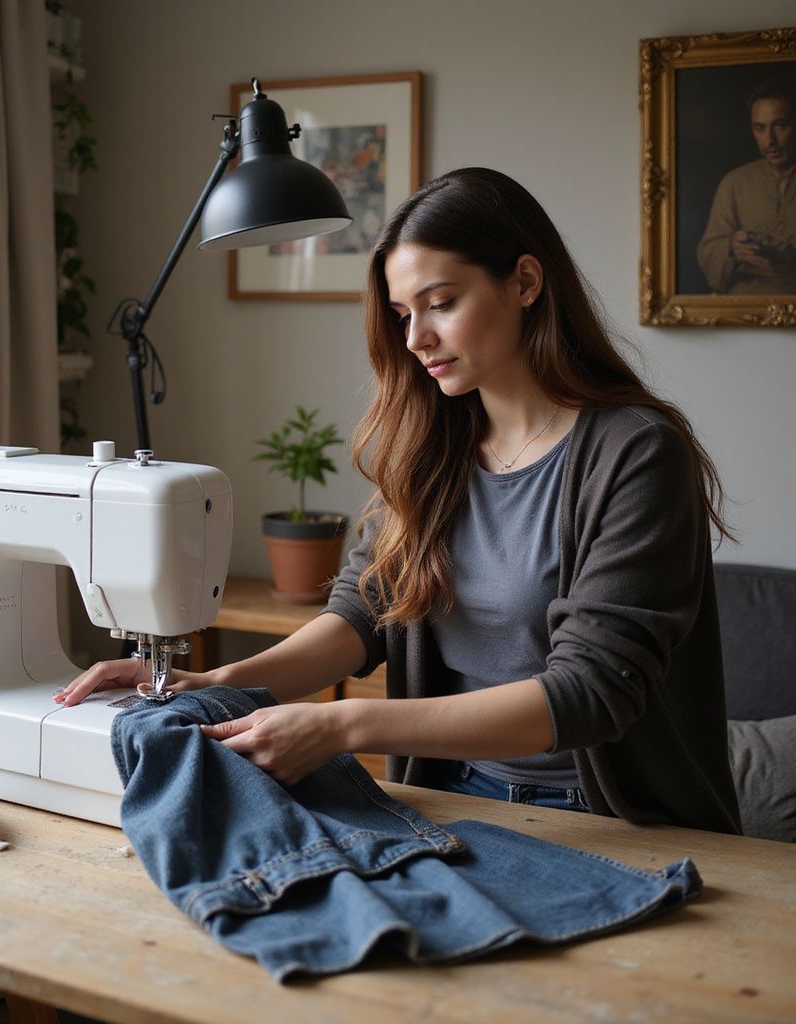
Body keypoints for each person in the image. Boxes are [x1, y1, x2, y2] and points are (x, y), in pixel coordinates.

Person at [57, 167, 742, 835]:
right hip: (446, 798)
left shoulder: (637, 454)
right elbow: (363, 613)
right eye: (403, 314)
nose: (416, 339)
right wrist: (216, 679)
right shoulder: (433, 448)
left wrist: (343, 724)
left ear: (526, 282)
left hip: (607, 821)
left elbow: (590, 692)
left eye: (441, 303)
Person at [697, 75, 796, 294]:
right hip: (744, 309)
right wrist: (732, 246)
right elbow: (708, 253)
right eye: (760, 128)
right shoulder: (734, 182)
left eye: (780, 126)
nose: (770, 140)